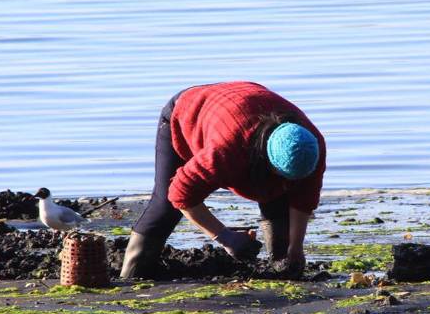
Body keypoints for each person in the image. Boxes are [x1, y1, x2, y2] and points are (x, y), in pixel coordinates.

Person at [120, 81, 326, 279]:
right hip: (189, 110)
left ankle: (281, 267)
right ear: (266, 159)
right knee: (165, 207)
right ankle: (130, 275)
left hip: (244, 99)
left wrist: (296, 248)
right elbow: (180, 194)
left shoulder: (310, 146)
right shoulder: (227, 151)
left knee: (279, 196)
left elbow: (303, 199)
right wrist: (226, 238)